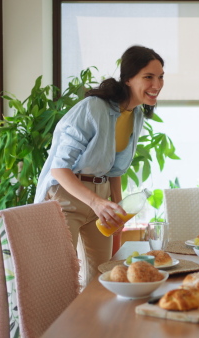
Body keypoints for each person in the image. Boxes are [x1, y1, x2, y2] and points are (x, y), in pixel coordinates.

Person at [34, 45, 164, 285]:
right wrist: (95, 202)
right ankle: (66, 323)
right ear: (128, 79)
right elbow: (59, 169)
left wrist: (117, 207)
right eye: (148, 77)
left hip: (101, 196)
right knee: (63, 277)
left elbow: (114, 169)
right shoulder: (93, 108)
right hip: (67, 197)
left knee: (102, 276)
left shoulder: (135, 115)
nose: (156, 84)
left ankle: (94, 322)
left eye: (160, 77)